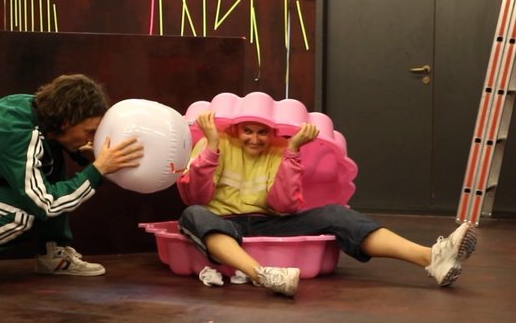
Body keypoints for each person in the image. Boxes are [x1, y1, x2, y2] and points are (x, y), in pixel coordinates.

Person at [176, 111, 477, 297]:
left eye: (262, 132)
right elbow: (196, 196)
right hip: (223, 223)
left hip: (268, 221)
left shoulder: (280, 150)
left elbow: (285, 206)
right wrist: (212, 147)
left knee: (335, 213)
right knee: (192, 214)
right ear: (235, 129)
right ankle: (263, 275)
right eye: (248, 131)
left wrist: (293, 151)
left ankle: (431, 257)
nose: (255, 139)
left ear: (272, 133)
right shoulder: (214, 142)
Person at [0, 74, 143, 289]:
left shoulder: (41, 114)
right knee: (25, 214)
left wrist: (83, 154)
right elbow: (45, 204)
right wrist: (97, 171)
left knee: (51, 159)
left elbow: (48, 153)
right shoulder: (14, 129)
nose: (92, 138)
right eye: (89, 131)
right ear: (66, 121)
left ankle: (52, 252)